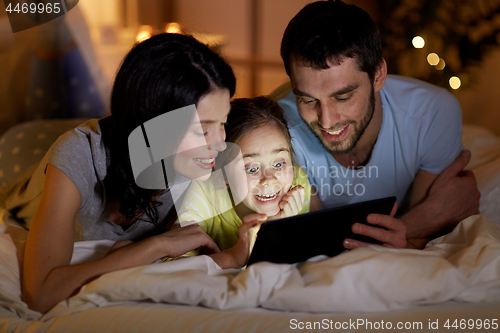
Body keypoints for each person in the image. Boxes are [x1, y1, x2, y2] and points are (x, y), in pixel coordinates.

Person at [1, 33, 237, 313]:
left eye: (222, 122)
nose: (220, 143)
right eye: (202, 129)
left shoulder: (198, 162)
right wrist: (155, 246)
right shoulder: (78, 155)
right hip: (19, 154)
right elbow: (41, 294)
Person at [277, 0, 480, 249]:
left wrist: (416, 230)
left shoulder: (433, 114)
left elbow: (427, 240)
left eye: (343, 97)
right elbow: (317, 245)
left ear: (378, 76)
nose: (327, 120)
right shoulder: (279, 131)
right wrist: (428, 218)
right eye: (307, 99)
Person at [176, 96, 322, 268]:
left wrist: (280, 228)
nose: (269, 179)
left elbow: (322, 238)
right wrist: (234, 255)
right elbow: (173, 266)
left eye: (279, 163)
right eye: (252, 169)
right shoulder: (204, 195)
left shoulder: (298, 184)